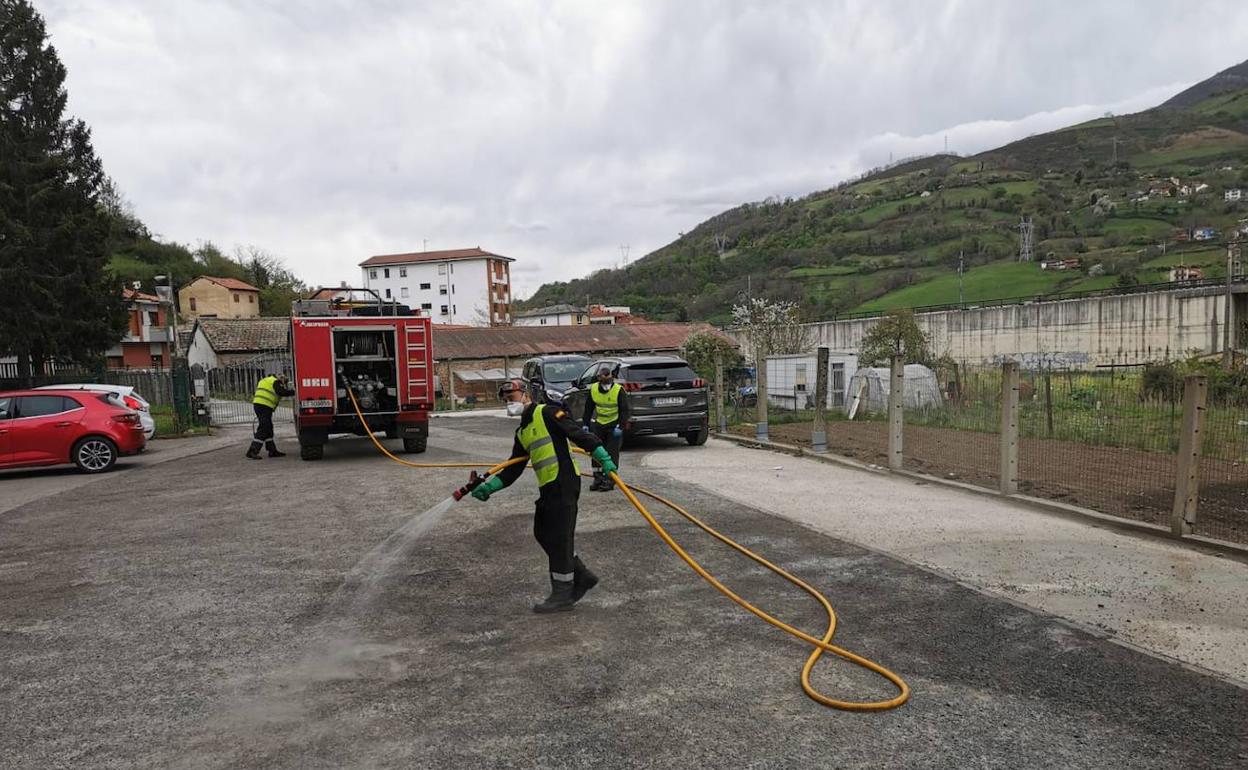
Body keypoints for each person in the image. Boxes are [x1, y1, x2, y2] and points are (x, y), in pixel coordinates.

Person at [471, 398, 617, 613]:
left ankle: (562, 593)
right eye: (504, 396)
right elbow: (513, 469)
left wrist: (602, 456)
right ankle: (582, 576)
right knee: (543, 533)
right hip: (548, 487)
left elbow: (576, 432)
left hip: (564, 481)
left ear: (526, 395)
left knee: (560, 537)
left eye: (513, 392)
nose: (509, 399)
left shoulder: (548, 412)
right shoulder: (522, 432)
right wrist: (490, 488)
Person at [582, 365, 630, 491]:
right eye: (604, 379)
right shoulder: (594, 389)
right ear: (599, 378)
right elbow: (588, 408)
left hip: (614, 426)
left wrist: (621, 426)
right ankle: (598, 478)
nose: (607, 384)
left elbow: (625, 410)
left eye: (609, 379)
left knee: (611, 453)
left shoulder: (619, 390)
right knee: (596, 452)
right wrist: (585, 424)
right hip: (599, 425)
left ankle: (609, 480)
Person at [246, 373, 294, 459]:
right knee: (264, 427)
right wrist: (294, 392)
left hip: (260, 405)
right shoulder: (275, 382)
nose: (283, 384)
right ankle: (252, 450)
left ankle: (272, 450)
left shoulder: (265, 380)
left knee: (268, 427)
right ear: (280, 378)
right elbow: (281, 392)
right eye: (284, 382)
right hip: (264, 406)